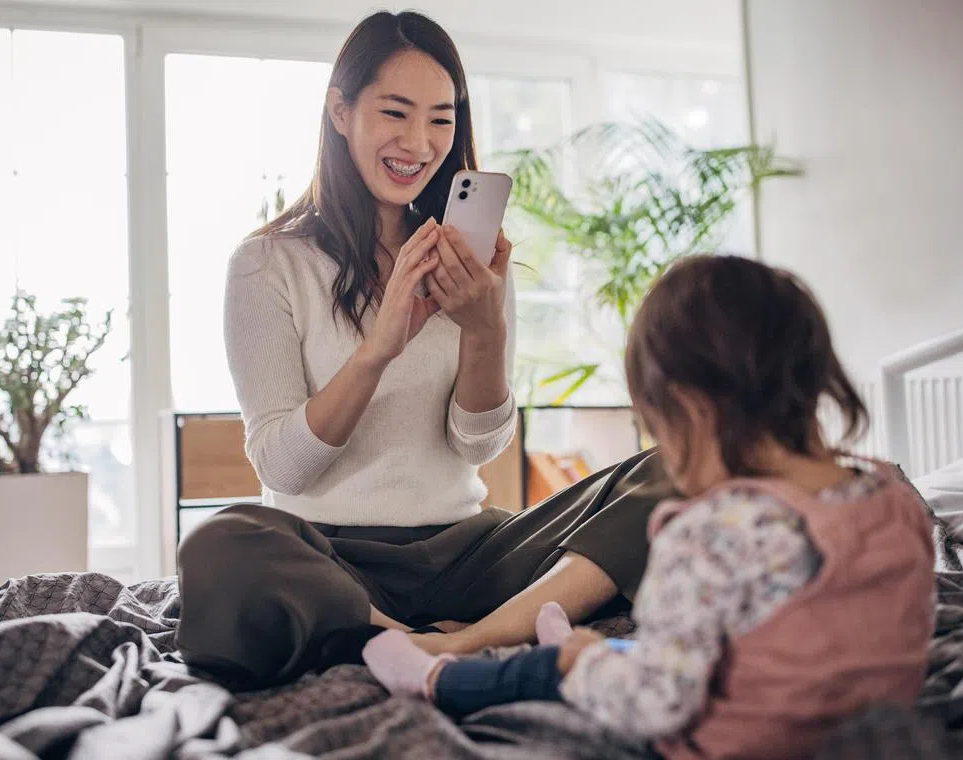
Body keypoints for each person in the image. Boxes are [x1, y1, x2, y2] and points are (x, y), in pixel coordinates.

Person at [174, 10, 672, 688]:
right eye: (397, 112)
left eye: (441, 119)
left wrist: (483, 325)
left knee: (673, 472)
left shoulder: (473, 258)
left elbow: (478, 446)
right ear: (340, 111)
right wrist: (378, 349)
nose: (419, 141)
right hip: (328, 554)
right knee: (218, 544)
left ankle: (466, 643)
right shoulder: (267, 263)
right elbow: (284, 469)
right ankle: (413, 641)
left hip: (467, 553)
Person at [362, 255, 936, 760]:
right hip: (850, 718)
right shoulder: (892, 498)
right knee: (649, 645)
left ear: (688, 409)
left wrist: (584, 666)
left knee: (565, 664)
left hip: (740, 740)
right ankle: (582, 643)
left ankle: (440, 678)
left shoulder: (713, 533)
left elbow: (659, 705)